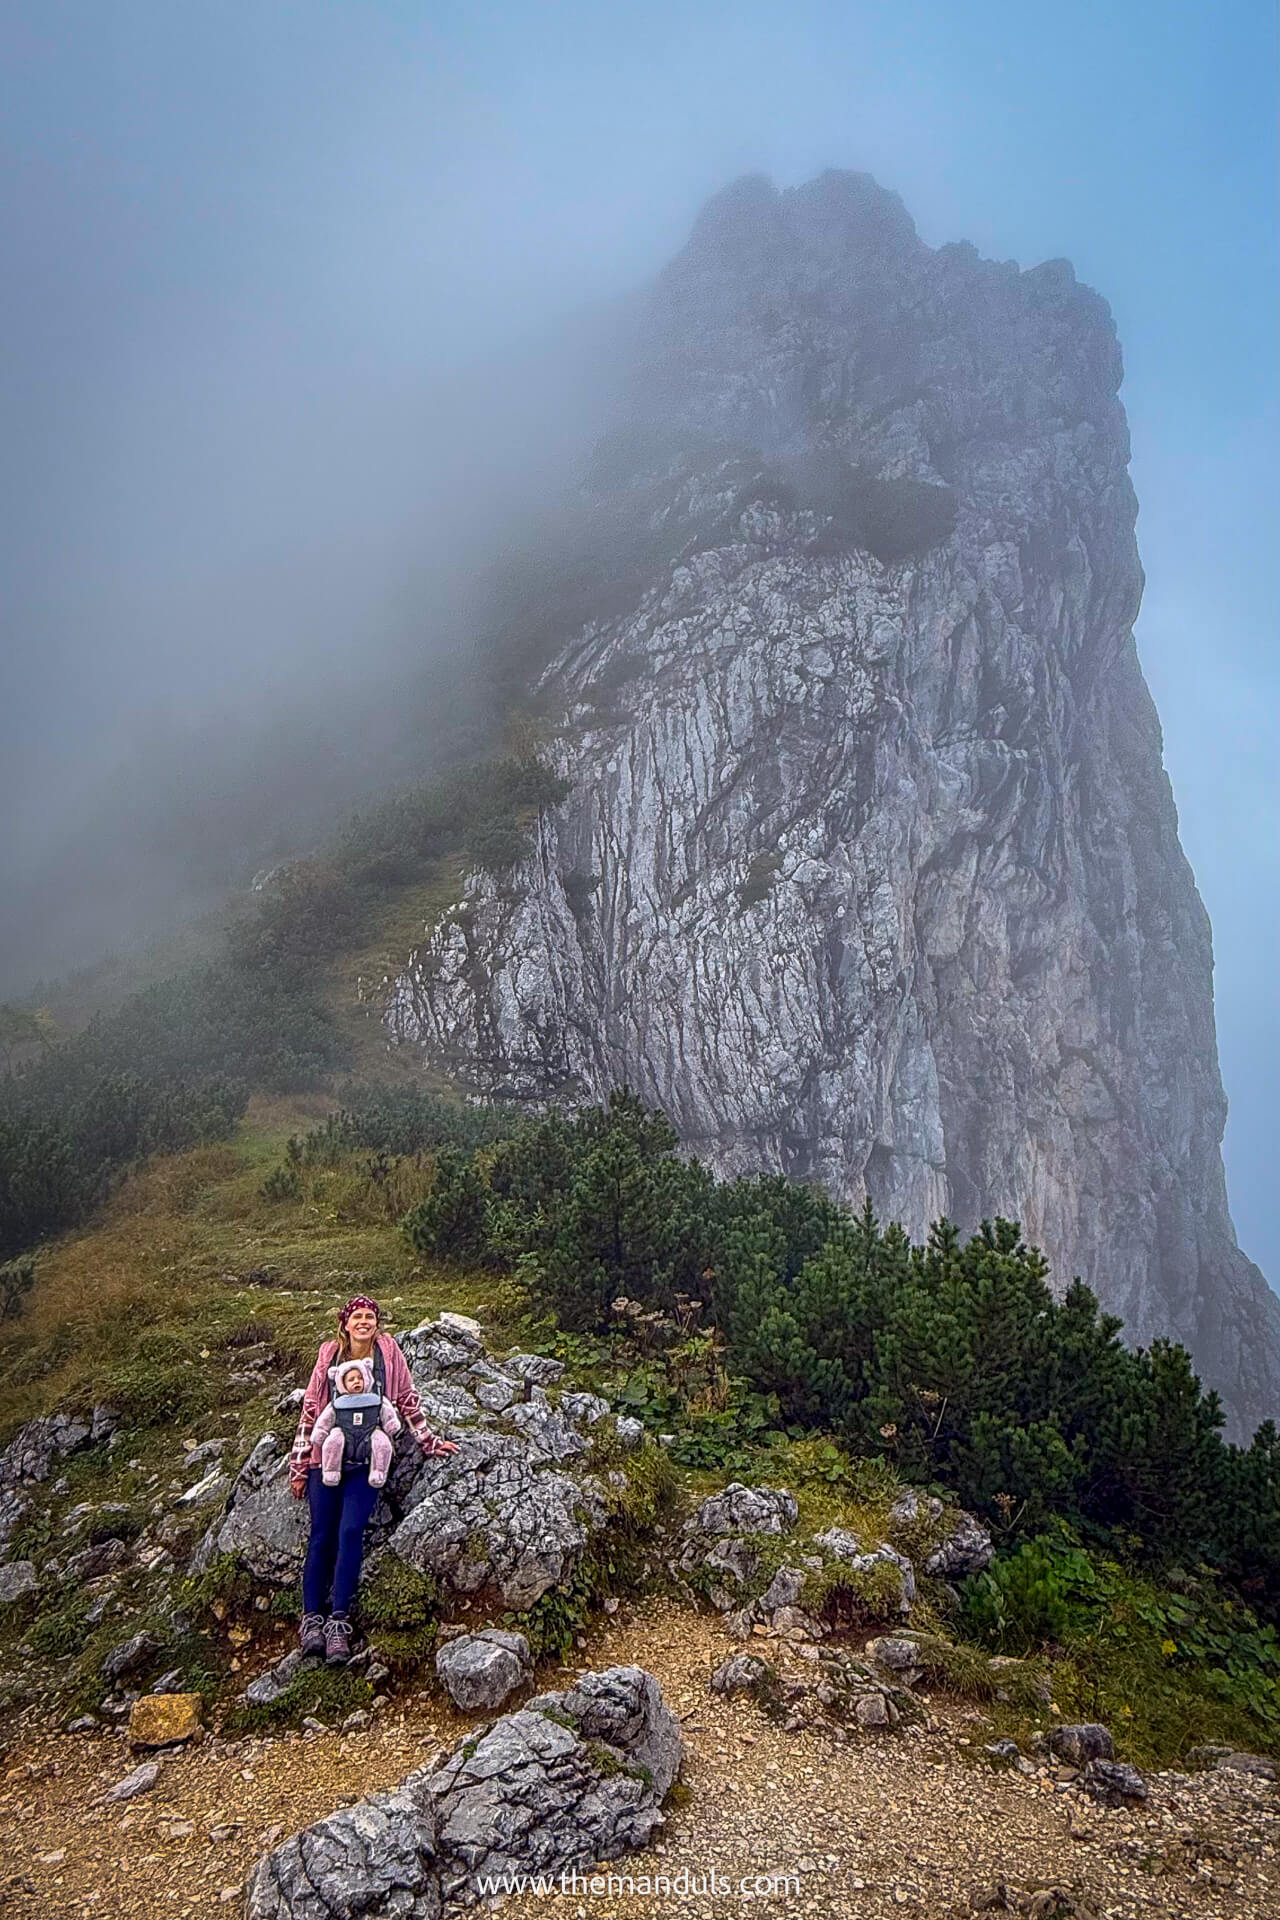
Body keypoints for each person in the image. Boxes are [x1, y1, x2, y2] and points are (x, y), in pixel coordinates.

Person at [289, 1293, 458, 1664]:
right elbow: (311, 1410)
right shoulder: (328, 1354)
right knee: (321, 1535)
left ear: (377, 1324)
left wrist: (428, 1441)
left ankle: (338, 1624)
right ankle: (311, 1620)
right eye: (357, 1316)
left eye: (370, 1316)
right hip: (324, 1459)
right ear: (346, 1323)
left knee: (350, 1532)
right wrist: (299, 1465)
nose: (364, 1322)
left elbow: (407, 1398)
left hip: (367, 1462)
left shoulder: (389, 1352)